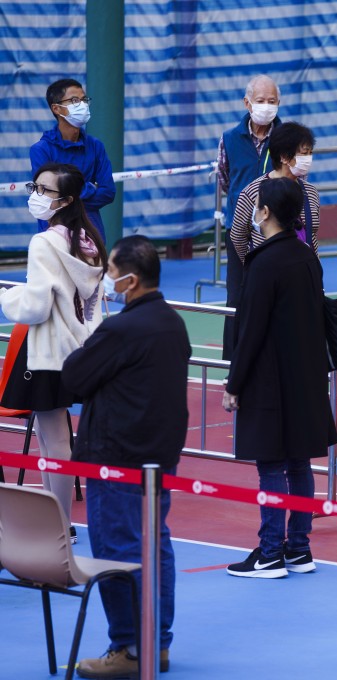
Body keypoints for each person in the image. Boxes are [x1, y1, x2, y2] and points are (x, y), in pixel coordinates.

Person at [62, 236, 189, 678]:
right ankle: (157, 642)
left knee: (117, 548)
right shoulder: (172, 322)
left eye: (111, 271)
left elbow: (75, 377)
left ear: (130, 280)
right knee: (156, 547)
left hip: (115, 454)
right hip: (158, 456)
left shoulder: (121, 330)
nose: (106, 279)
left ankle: (130, 648)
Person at [223, 178, 337, 578]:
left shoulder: (263, 262)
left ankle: (270, 552)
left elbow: (250, 330)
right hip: (305, 376)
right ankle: (299, 548)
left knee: (271, 465)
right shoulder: (307, 257)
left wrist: (234, 384)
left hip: (269, 380)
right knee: (299, 464)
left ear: (266, 212)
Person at [0, 163, 107, 541]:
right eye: (36, 187)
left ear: (67, 200)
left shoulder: (45, 242)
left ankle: (59, 524)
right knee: (54, 437)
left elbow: (37, 305)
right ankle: (58, 520)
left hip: (46, 350)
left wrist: (6, 297)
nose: (37, 195)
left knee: (54, 439)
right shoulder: (88, 239)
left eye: (44, 190)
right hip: (77, 348)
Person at [217, 74, 282, 361]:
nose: (266, 107)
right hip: (239, 231)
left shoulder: (286, 137)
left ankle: (272, 357)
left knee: (275, 296)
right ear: (247, 103)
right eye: (260, 101)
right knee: (237, 297)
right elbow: (225, 177)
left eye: (272, 101)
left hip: (277, 230)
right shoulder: (230, 138)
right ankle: (232, 361)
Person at [29, 78, 115, 242]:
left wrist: (67, 196)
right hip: (54, 234)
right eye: (74, 100)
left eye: (84, 100)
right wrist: (90, 188)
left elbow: (108, 192)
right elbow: (49, 198)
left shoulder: (96, 146)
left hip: (91, 235)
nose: (82, 105)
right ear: (56, 108)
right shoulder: (41, 150)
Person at [230, 122, 320, 263]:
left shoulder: (311, 192)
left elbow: (313, 236)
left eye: (310, 153)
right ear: (284, 157)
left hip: (304, 271)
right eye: (303, 154)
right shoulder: (253, 192)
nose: (308, 158)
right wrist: (254, 264)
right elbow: (238, 236)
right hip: (268, 272)